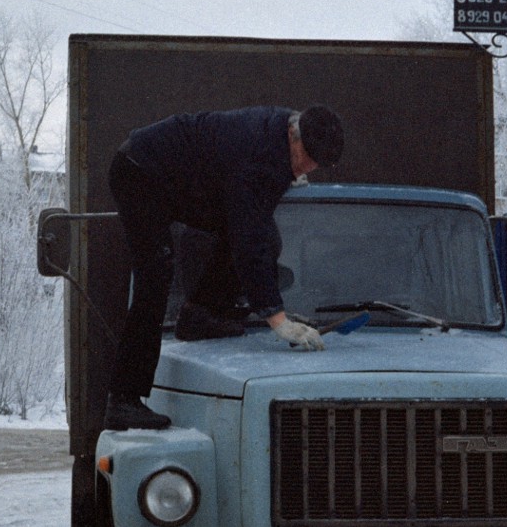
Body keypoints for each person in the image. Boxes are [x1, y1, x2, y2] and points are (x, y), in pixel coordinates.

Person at [105, 105, 345, 430]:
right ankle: (123, 399)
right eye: (306, 156)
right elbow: (249, 239)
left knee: (261, 236)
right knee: (155, 274)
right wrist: (276, 318)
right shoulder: (261, 154)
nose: (307, 167)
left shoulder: (280, 145)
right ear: (293, 134)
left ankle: (198, 315)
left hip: (180, 178)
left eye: (316, 163)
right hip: (141, 171)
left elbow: (255, 230)